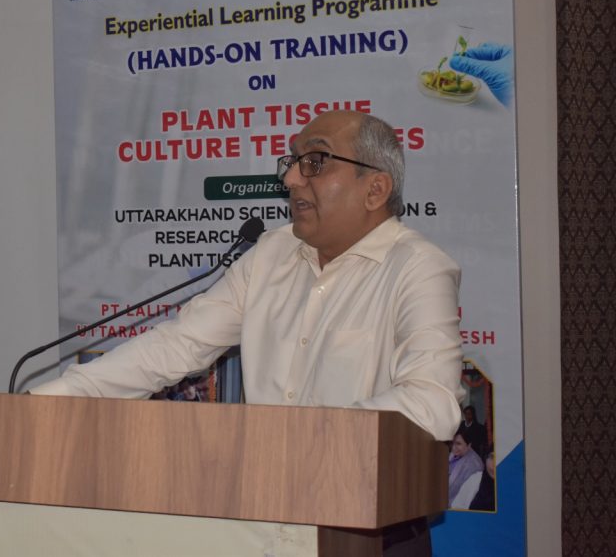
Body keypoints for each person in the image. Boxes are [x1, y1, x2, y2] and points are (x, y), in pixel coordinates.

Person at [32, 110, 463, 440]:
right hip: (262, 505)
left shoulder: (418, 268)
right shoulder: (271, 254)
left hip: (361, 513)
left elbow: (431, 403)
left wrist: (301, 441)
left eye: (315, 161)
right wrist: (45, 403)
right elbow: (178, 345)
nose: (290, 179)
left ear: (375, 190)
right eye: (292, 162)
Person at [448, 431, 484, 507]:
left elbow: (466, 496)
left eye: (458, 444)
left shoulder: (474, 465)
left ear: (469, 445)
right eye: (452, 443)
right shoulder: (456, 453)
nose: (453, 447)